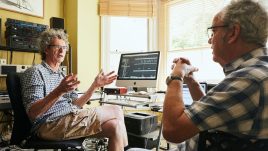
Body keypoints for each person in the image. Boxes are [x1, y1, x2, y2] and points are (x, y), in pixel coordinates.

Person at [162, 0, 268, 150]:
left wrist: (176, 76)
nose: (210, 40)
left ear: (233, 33)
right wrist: (192, 82)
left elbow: (172, 130)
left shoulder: (249, 80)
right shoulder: (256, 73)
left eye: (213, 32)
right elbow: (212, 114)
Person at [20, 29, 128, 151]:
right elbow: (33, 113)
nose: (62, 51)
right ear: (46, 49)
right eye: (57, 47)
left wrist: (94, 86)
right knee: (116, 110)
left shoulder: (61, 75)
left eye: (64, 47)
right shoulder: (35, 72)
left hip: (68, 119)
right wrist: (59, 91)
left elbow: (76, 104)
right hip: (48, 125)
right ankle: (128, 148)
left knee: (115, 126)